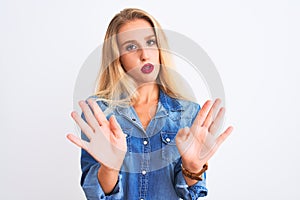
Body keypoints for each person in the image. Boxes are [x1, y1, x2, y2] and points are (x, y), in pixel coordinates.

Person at [67, 8, 233, 200]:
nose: (145, 54)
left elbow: (190, 194)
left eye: (150, 42)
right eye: (130, 47)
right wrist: (110, 168)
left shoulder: (188, 113)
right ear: (117, 57)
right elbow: (96, 195)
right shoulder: (99, 113)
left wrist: (193, 169)